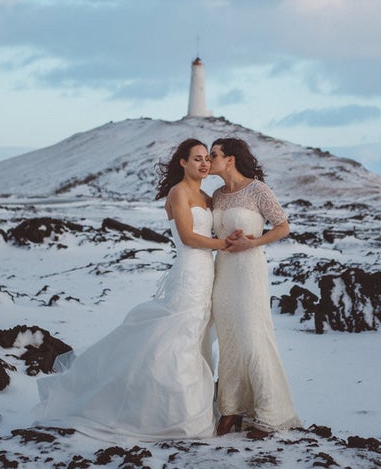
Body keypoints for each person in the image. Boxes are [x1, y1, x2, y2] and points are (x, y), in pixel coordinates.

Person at [34, 138, 227, 440]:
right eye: (197, 158)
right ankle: (161, 410)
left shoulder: (206, 195)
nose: (203, 163)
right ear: (183, 163)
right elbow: (189, 237)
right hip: (189, 270)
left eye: (206, 158)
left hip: (207, 272)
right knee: (177, 335)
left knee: (195, 336)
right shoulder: (178, 193)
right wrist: (222, 244)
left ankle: (185, 408)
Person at [207, 137, 302, 437]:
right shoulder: (217, 195)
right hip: (223, 273)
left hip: (249, 271)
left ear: (230, 159)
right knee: (230, 339)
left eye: (214, 155)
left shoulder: (258, 189)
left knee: (253, 336)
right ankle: (231, 409)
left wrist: (253, 241)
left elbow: (283, 226)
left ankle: (269, 412)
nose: (209, 160)